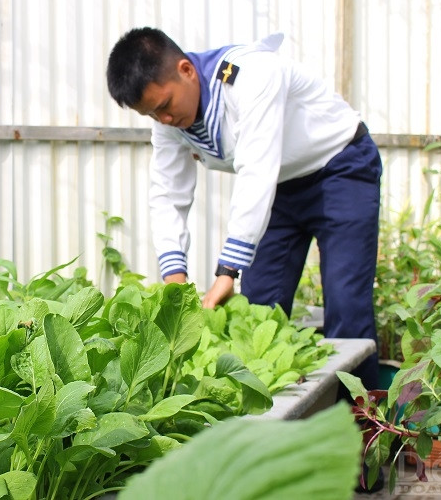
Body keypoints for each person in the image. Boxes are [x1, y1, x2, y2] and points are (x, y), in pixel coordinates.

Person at [105, 27, 382, 392]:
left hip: (340, 168)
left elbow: (256, 170)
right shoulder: (168, 124)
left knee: (346, 307)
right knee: (257, 311)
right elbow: (168, 196)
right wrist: (175, 279)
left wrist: (227, 270)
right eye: (153, 115)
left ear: (186, 70)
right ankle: (273, 427)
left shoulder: (251, 76)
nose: (165, 121)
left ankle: (362, 431)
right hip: (280, 187)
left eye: (165, 106)